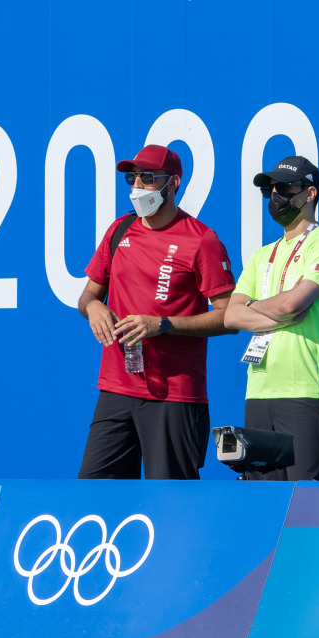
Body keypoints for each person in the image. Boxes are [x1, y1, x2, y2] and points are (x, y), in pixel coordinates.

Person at [77, 144, 235, 479]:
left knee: (172, 503)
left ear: (173, 183)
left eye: (147, 178)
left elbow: (229, 316)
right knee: (93, 494)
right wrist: (93, 309)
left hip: (174, 395)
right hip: (116, 388)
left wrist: (162, 324)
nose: (137, 187)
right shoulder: (119, 231)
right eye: (132, 179)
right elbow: (88, 295)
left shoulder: (202, 240)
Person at [223, 156, 319, 481]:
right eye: (271, 189)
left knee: (308, 506)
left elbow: (294, 303)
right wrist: (279, 311)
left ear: (309, 194)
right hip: (259, 392)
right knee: (261, 503)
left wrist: (260, 307)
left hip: (306, 392)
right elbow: (231, 316)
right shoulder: (261, 255)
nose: (276, 195)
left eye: (285, 187)